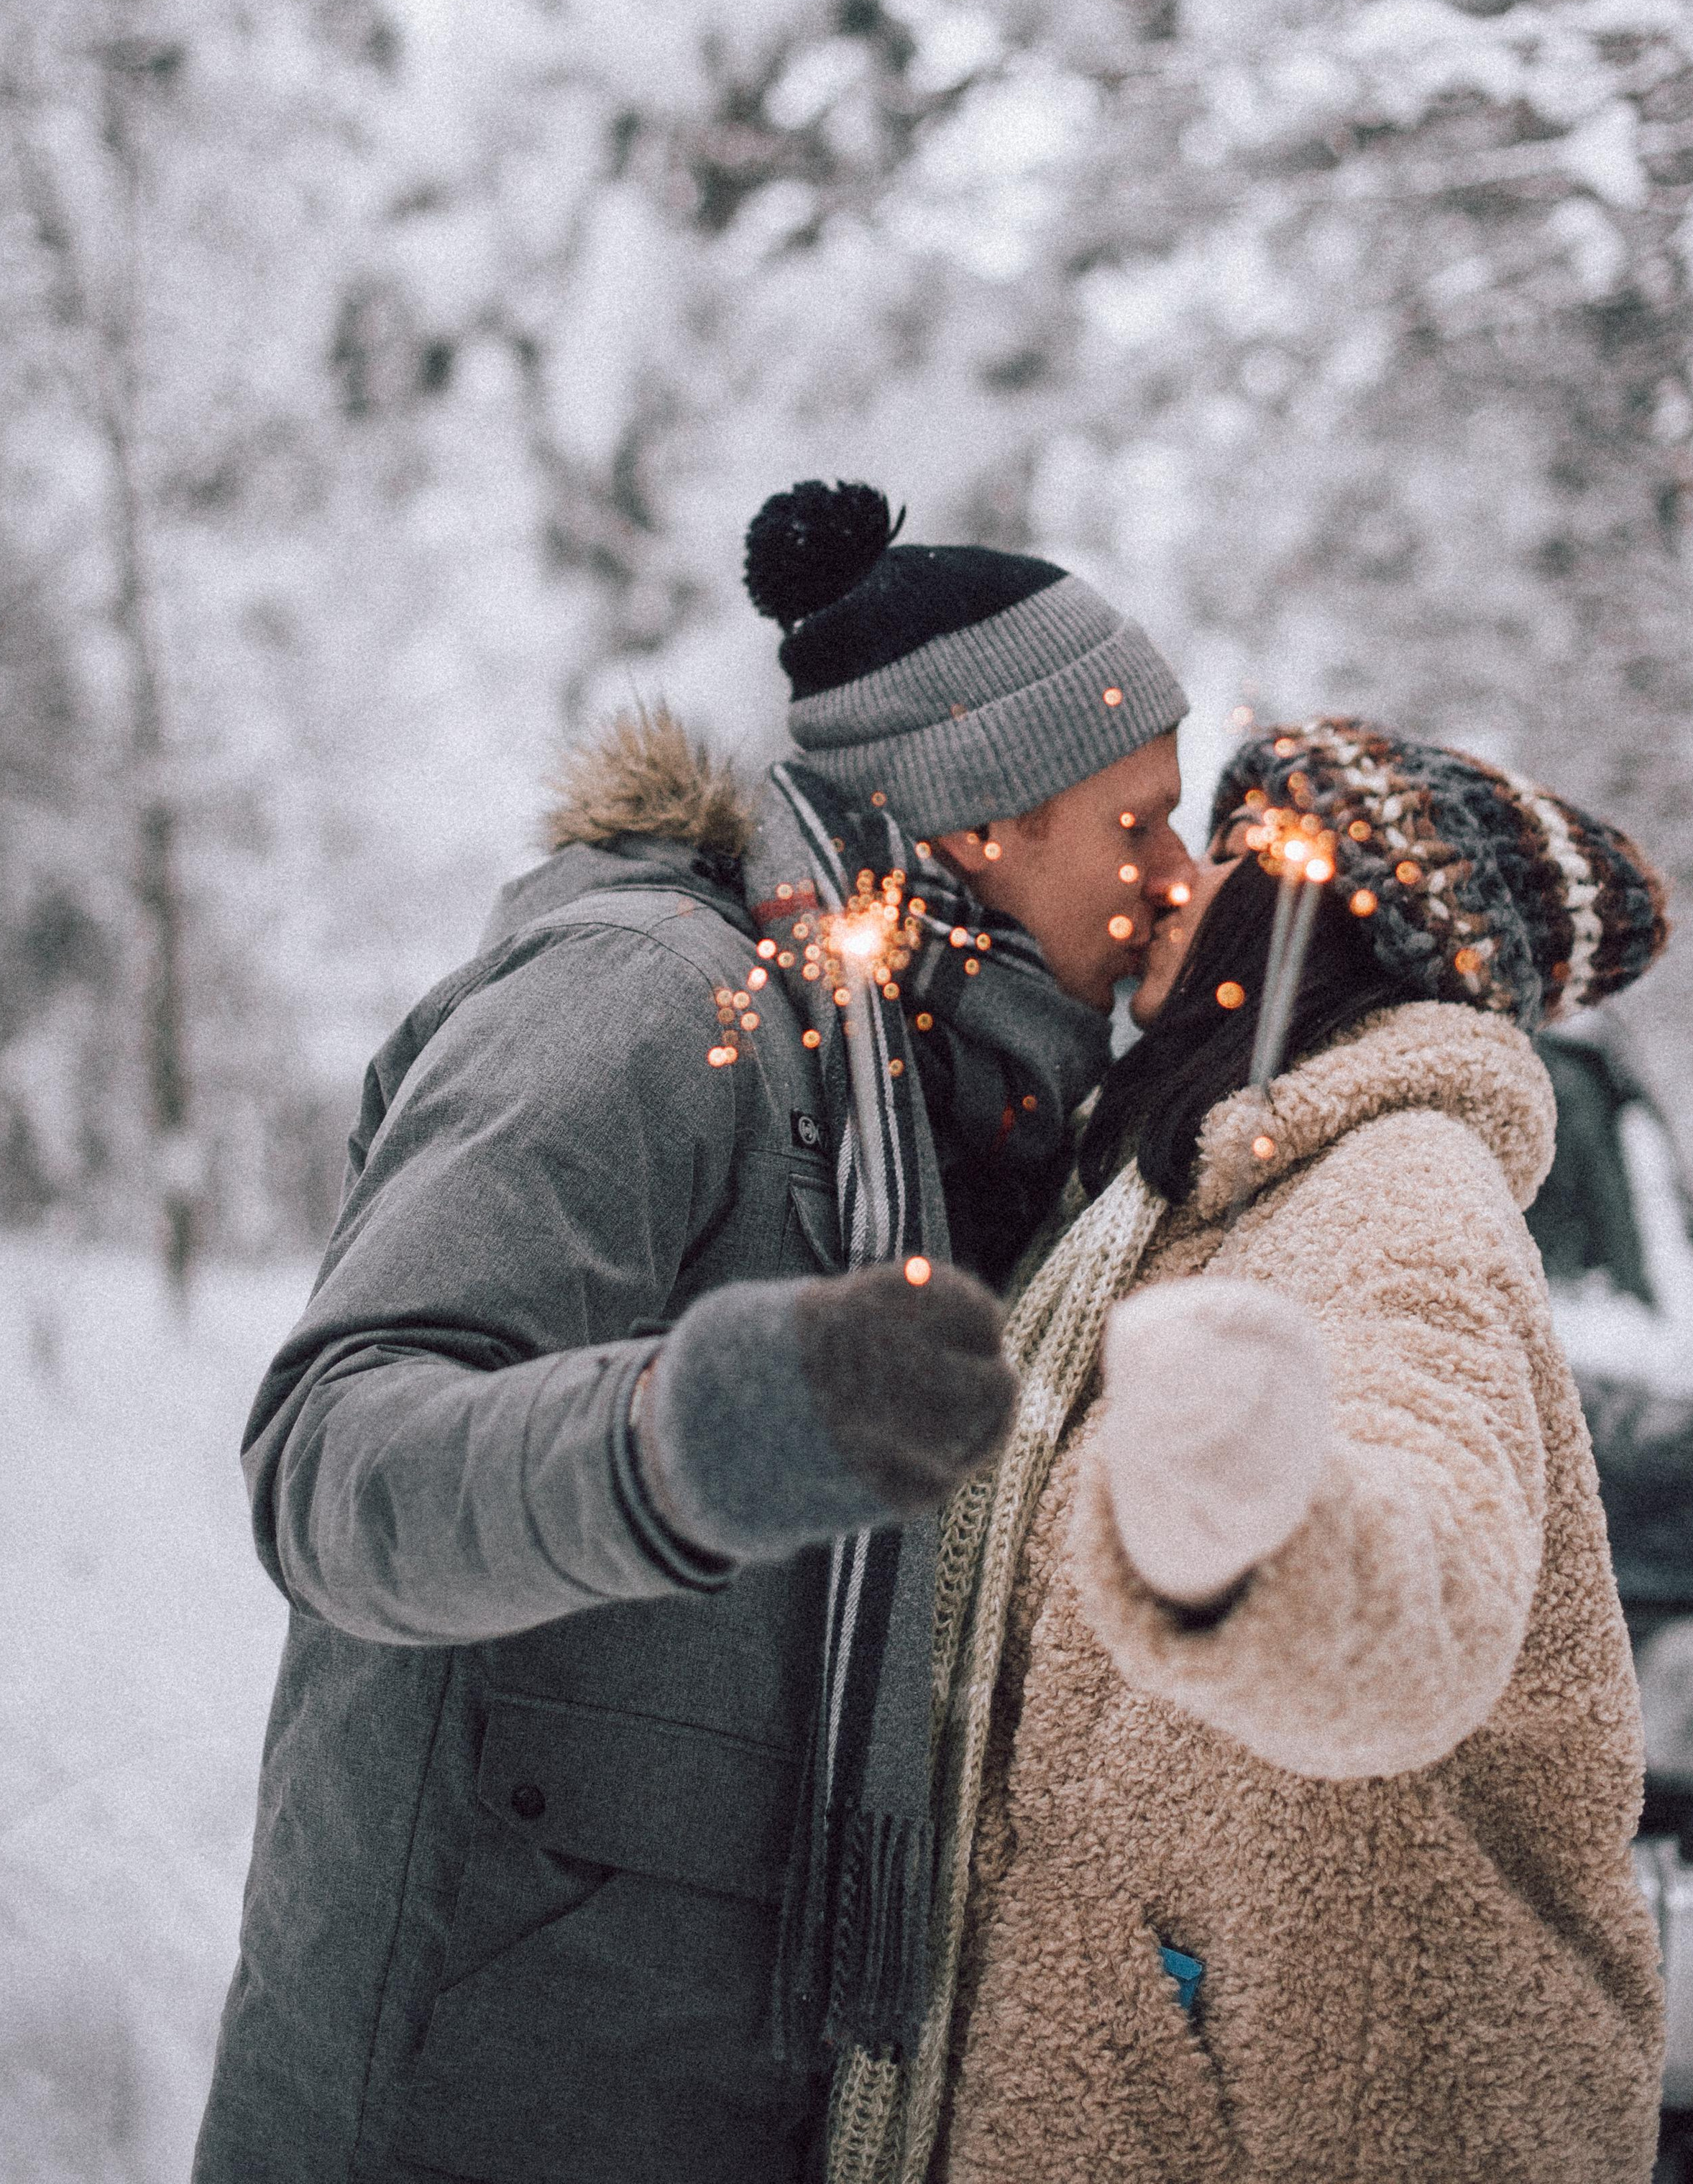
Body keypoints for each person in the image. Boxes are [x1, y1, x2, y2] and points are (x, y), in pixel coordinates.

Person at [191, 481, 1198, 2184]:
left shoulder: (969, 1132)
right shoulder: (655, 1002)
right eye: (1140, 825)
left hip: (748, 2119)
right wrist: (691, 1436)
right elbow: (330, 1462)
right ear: (974, 825)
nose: (1178, 879)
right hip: (463, 2106)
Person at [826, 721, 1670, 2184]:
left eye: (1231, 844)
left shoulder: (1397, 1184)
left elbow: (1433, 1590)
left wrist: (1246, 1532)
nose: (1173, 877)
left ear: (1323, 922)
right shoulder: (1194, 1186)